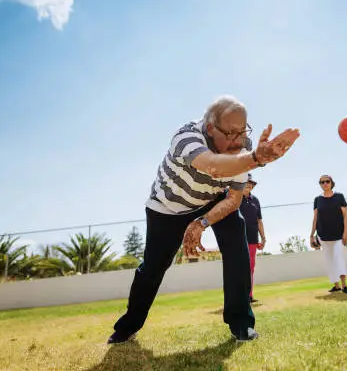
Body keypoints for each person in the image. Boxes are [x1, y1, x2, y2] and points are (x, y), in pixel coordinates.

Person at [107, 95, 300, 344]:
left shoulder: (242, 146)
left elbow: (233, 199)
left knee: (236, 237)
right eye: (231, 133)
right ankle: (128, 326)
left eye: (243, 131)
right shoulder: (186, 137)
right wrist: (256, 158)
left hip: (211, 200)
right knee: (153, 268)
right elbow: (213, 167)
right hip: (168, 207)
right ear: (210, 128)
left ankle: (241, 323)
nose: (239, 140)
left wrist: (201, 223)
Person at [309, 174, 347, 294]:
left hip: (338, 235)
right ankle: (336, 285)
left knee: (339, 258)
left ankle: (344, 285)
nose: (325, 184)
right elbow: (315, 218)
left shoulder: (339, 197)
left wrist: (346, 232)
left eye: (327, 181)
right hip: (323, 235)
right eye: (322, 182)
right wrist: (311, 235)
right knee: (329, 261)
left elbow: (345, 216)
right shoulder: (317, 200)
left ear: (331, 183)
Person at [239, 173, 266, 303]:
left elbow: (259, 220)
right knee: (239, 267)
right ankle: (239, 295)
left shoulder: (255, 200)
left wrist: (263, 238)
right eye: (246, 181)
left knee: (251, 268)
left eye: (251, 183)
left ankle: (249, 295)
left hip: (253, 239)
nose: (249, 184)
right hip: (238, 239)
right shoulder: (234, 198)